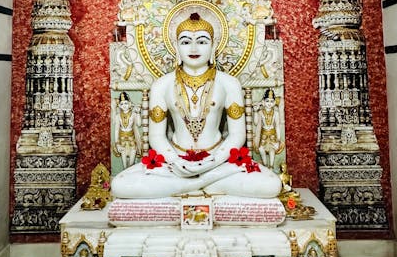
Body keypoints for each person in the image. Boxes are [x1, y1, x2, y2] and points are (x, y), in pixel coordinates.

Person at [110, 12, 281, 199]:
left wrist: (214, 160)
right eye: (185, 42)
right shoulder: (162, 85)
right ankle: (205, 184)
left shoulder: (228, 83)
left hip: (218, 159)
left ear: (213, 45)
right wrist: (175, 161)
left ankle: (188, 185)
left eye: (201, 41)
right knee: (120, 185)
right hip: (174, 163)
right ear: (176, 47)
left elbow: (237, 134)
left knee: (271, 184)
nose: (193, 47)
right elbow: (157, 136)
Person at [253, 88, 284, 169]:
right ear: (263, 102)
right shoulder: (260, 112)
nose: (269, 103)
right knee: (261, 149)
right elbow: (256, 123)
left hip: (272, 134)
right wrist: (255, 111)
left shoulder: (276, 113)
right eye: (267, 101)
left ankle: (271, 166)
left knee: (272, 150)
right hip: (264, 134)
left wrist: (279, 138)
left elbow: (277, 125)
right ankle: (265, 166)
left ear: (274, 103)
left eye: (271, 101)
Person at [113, 91, 142, 168]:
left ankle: (130, 169)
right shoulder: (118, 116)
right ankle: (124, 170)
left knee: (133, 155)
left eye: (126, 103)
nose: (124, 106)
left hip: (131, 137)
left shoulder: (133, 114)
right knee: (123, 156)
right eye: (122, 104)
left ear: (129, 104)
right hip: (122, 137)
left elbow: (139, 124)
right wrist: (117, 143)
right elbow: (116, 130)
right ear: (119, 105)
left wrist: (138, 113)